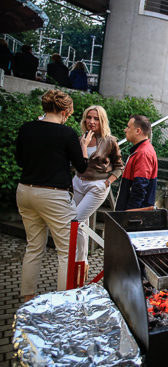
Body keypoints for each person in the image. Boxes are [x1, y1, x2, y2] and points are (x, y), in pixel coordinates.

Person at [16, 89, 92, 302]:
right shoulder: (67, 133)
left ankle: (28, 296)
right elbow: (81, 167)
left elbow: (21, 162)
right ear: (66, 111)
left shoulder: (27, 128)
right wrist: (84, 148)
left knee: (33, 246)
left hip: (25, 192)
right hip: (53, 195)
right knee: (66, 252)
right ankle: (63, 301)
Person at [73, 106, 124, 273]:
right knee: (82, 223)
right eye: (89, 117)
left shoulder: (109, 141)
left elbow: (119, 167)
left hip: (97, 185)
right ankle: (82, 261)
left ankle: (78, 262)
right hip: (78, 182)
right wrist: (82, 145)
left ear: (102, 121)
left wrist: (107, 182)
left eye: (95, 118)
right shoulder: (81, 138)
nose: (91, 122)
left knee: (76, 221)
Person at [115, 115, 158, 211]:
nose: (125, 130)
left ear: (138, 131)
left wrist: (131, 213)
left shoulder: (143, 153)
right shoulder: (142, 150)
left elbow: (140, 186)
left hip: (134, 214)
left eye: (128, 127)